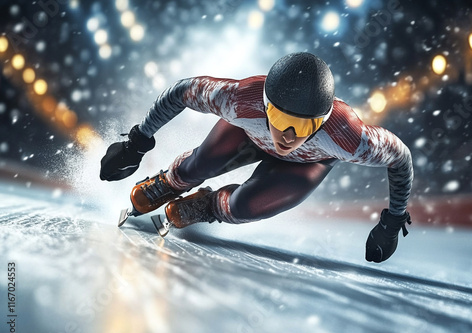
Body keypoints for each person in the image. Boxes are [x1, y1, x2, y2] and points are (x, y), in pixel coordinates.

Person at [100, 52, 413, 263]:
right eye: (279, 118)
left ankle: (201, 200)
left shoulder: (348, 135)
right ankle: (176, 183)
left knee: (243, 207)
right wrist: (136, 142)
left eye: (304, 125)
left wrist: (139, 142)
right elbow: (399, 158)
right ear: (265, 104)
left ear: (324, 119)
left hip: (289, 152)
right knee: (199, 166)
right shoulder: (239, 98)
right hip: (276, 144)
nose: (288, 136)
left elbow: (182, 92)